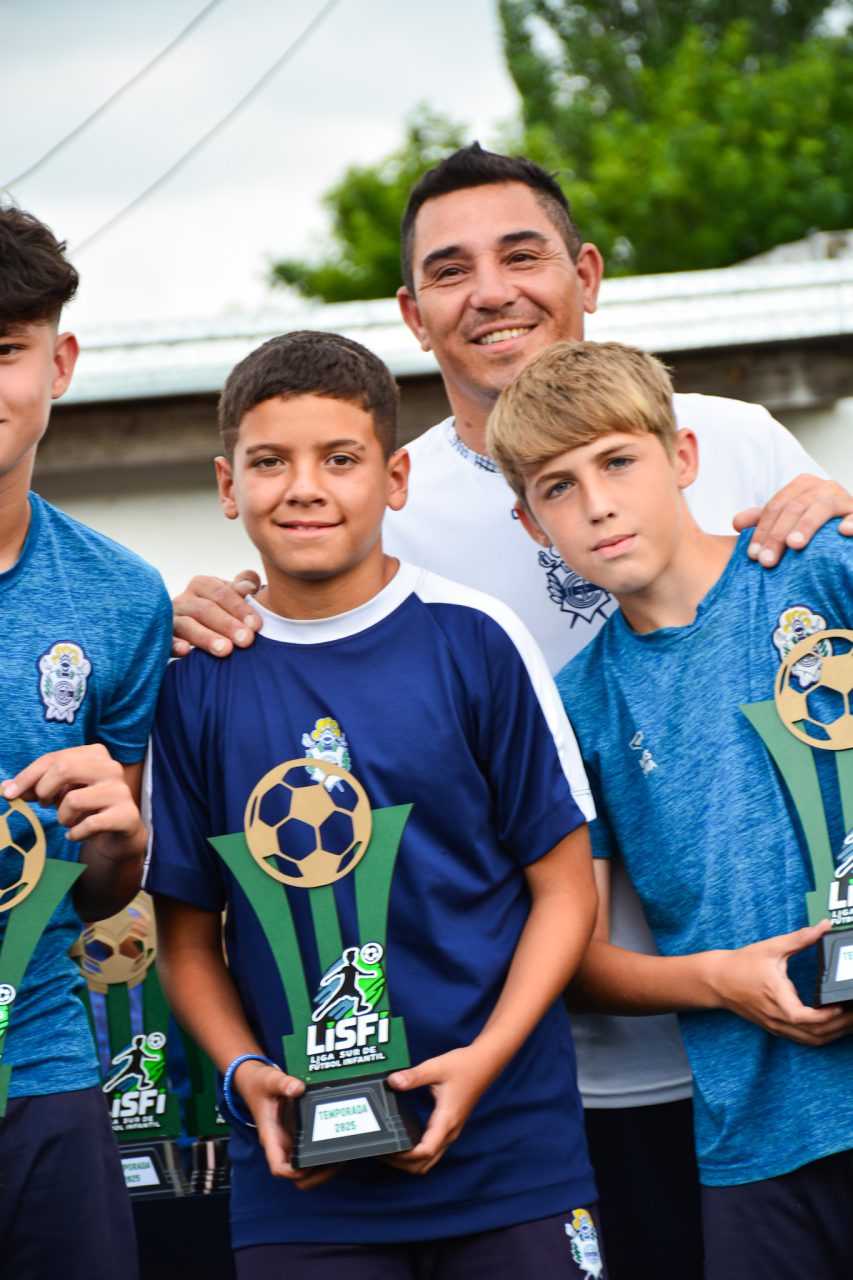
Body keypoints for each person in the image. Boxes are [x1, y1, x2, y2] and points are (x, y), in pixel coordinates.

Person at [169, 144, 853, 1280]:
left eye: (520, 255)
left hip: (725, 1067)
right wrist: (206, 611)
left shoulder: (739, 438)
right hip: (582, 1077)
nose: (490, 291)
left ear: (585, 273)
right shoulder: (390, 501)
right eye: (451, 270)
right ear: (412, 312)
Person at [146, 329, 605, 1279]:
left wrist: (485, 1059)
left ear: (395, 479)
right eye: (269, 462)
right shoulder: (193, 682)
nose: (303, 487)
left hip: (509, 1152)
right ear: (228, 486)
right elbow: (187, 941)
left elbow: (565, 893)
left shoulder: (475, 640)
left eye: (339, 459)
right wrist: (243, 1073)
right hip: (301, 1188)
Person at [486, 338, 853, 1279]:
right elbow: (571, 956)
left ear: (681, 457)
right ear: (532, 525)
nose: (597, 503)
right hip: (755, 1133)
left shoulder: (822, 567)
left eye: (617, 461)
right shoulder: (574, 708)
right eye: (558, 487)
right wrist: (718, 981)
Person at [0, 204, 172, 1279]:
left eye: (3, 350)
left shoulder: (121, 596)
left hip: (45, 1066)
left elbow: (108, 892)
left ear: (58, 365)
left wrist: (118, 835)